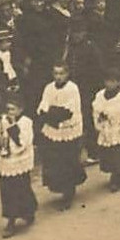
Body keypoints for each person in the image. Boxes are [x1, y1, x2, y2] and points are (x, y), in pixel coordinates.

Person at [36, 61, 86, 210]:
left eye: (61, 73)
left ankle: (69, 192)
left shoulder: (72, 88)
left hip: (67, 129)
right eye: (56, 73)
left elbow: (68, 111)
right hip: (53, 129)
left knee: (68, 160)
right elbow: (43, 106)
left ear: (67, 74)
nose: (58, 77)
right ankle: (60, 187)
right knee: (55, 160)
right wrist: (49, 112)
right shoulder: (49, 88)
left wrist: (53, 112)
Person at [0, 94, 38, 237]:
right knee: (7, 191)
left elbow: (24, 142)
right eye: (8, 109)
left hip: (20, 160)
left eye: (13, 109)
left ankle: (28, 211)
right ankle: (11, 220)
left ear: (21, 110)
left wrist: (12, 130)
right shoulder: (1, 122)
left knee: (22, 188)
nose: (10, 112)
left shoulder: (26, 122)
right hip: (6, 162)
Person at [90, 69, 120, 189]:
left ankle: (118, 176)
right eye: (107, 81)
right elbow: (96, 106)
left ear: (118, 83)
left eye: (113, 81)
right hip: (106, 127)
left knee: (119, 152)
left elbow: (119, 111)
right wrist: (100, 113)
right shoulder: (100, 94)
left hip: (119, 127)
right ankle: (113, 173)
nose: (109, 84)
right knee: (109, 153)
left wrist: (107, 112)